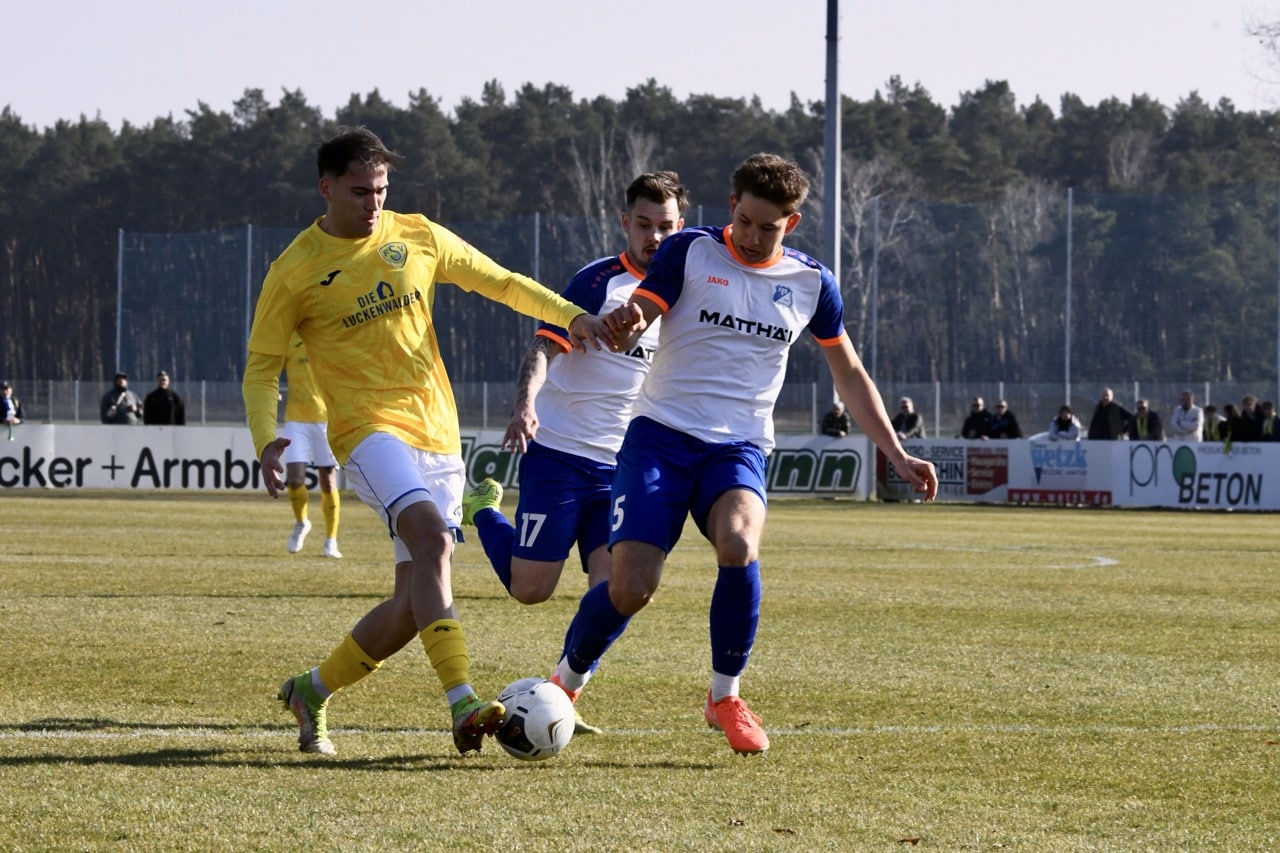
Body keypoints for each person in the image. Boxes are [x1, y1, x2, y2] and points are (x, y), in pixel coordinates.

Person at [544, 153, 938, 755]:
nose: (754, 237)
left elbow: (850, 374)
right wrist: (628, 319)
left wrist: (897, 452)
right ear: (732, 208)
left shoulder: (812, 283)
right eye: (747, 222)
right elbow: (647, 307)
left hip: (739, 446)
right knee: (632, 588)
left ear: (793, 223)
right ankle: (565, 683)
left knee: (739, 542)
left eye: (769, 228)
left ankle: (724, 695)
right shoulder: (690, 251)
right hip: (660, 436)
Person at [241, 126, 612, 758]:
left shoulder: (417, 234)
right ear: (326, 188)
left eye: (381, 190)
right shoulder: (294, 269)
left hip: (437, 432)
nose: (373, 204)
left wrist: (570, 316)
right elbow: (260, 365)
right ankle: (462, 700)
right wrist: (266, 436)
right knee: (431, 534)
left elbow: (503, 281)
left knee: (414, 602)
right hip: (365, 430)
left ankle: (312, 689)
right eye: (359, 192)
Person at [461, 171, 689, 734]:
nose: (653, 238)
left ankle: (565, 693)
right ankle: (482, 512)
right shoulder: (597, 284)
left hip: (625, 466)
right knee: (531, 590)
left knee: (617, 594)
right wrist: (525, 406)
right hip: (559, 455)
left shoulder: (685, 296)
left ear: (681, 228)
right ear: (625, 224)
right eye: (643, 225)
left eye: (665, 227)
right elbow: (543, 346)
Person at [280, 333, 342, 559]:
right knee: (295, 478)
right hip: (296, 420)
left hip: (326, 420)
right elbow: (272, 365)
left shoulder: (329, 336)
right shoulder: (291, 341)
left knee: (328, 480)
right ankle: (301, 522)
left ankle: (330, 540)